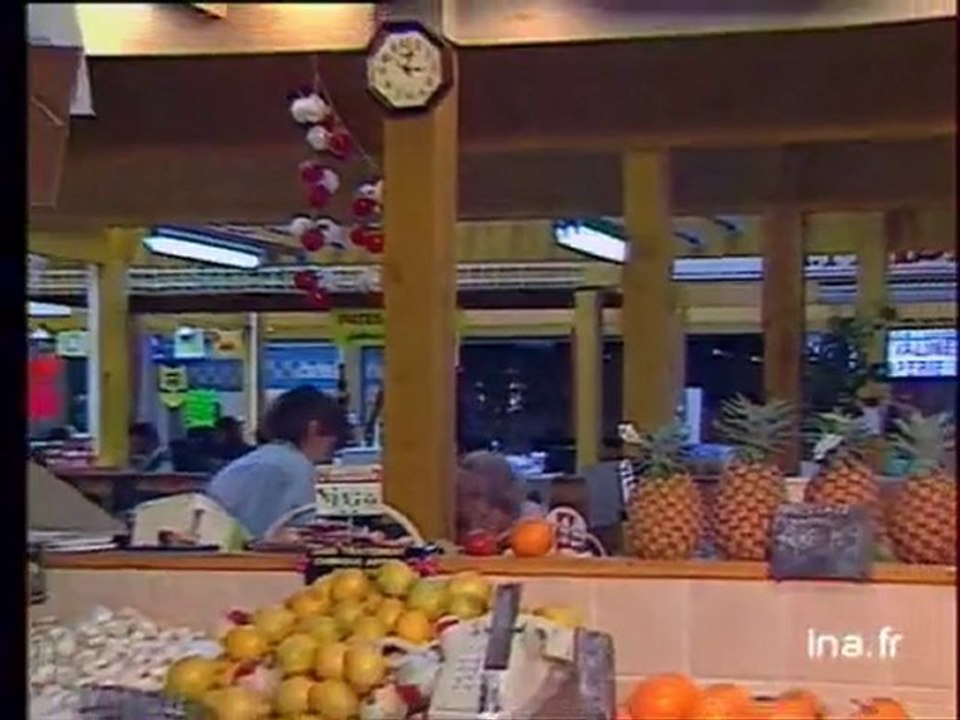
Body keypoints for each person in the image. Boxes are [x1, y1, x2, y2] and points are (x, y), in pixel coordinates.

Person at [206, 386, 349, 539]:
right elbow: (303, 535)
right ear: (313, 428)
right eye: (334, 439)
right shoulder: (290, 469)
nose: (333, 451)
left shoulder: (259, 460)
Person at [455, 450, 544, 543]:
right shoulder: (453, 524)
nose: (482, 509)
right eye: (471, 496)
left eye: (477, 496)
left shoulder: (529, 519)